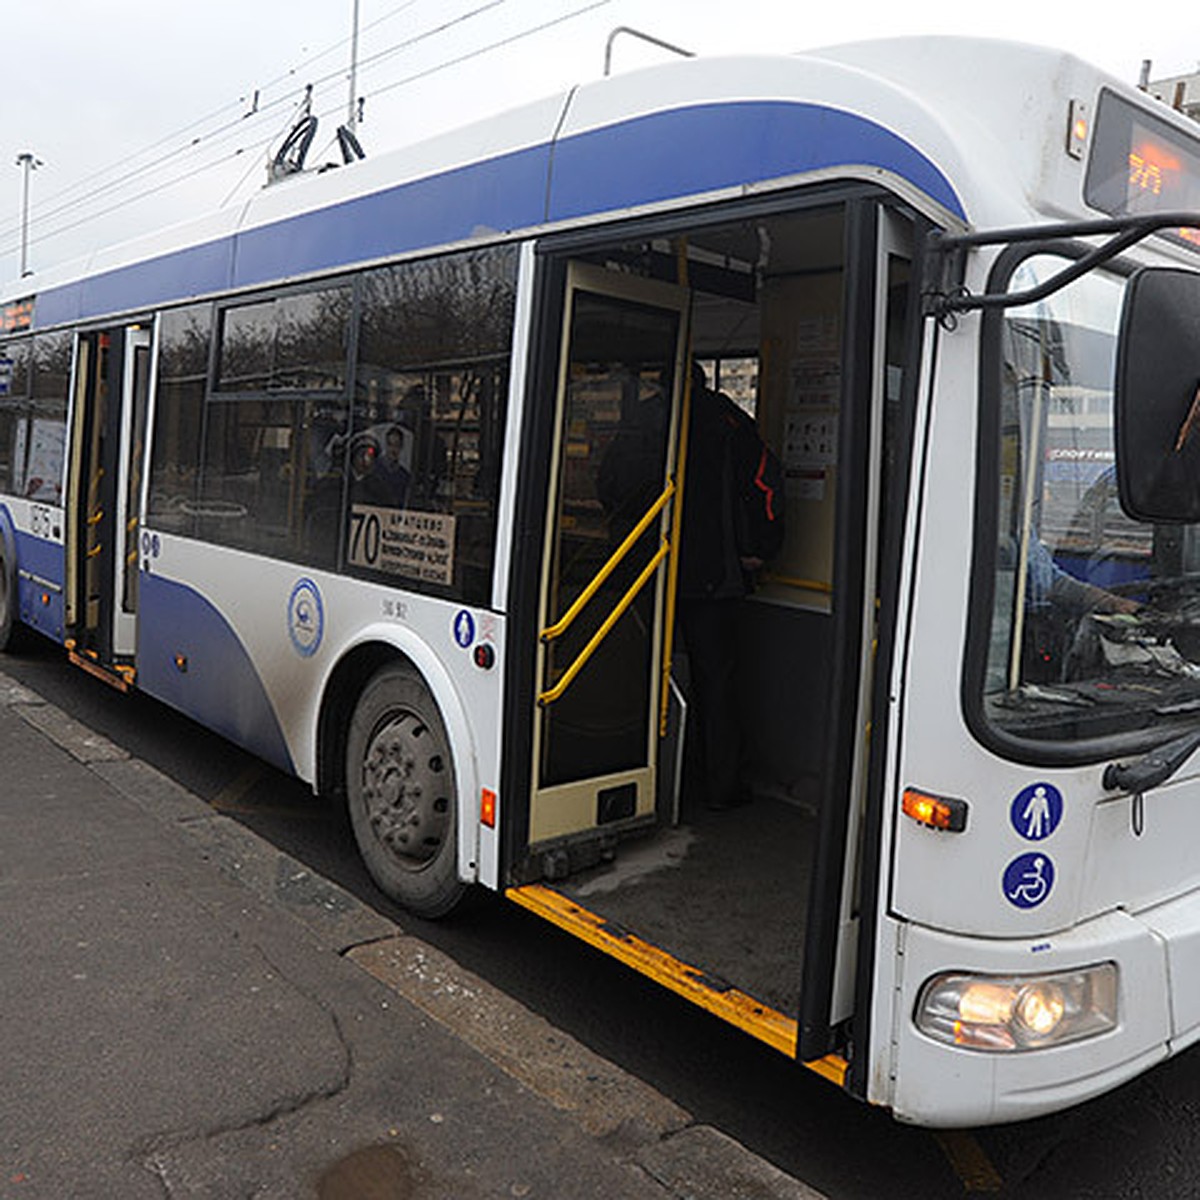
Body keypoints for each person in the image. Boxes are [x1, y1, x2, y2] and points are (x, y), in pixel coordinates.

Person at [677, 365, 781, 811]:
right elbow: (765, 486)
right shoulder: (730, 422)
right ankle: (719, 787)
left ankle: (671, 781)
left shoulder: (647, 419)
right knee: (715, 684)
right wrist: (762, 547)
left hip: (651, 573)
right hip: (714, 576)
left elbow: (611, 482)